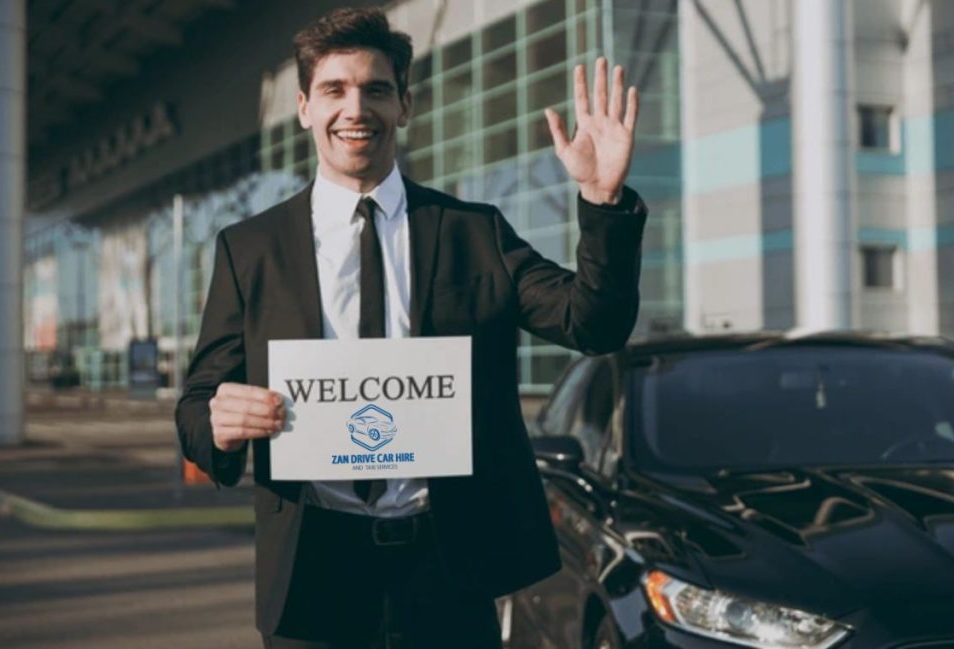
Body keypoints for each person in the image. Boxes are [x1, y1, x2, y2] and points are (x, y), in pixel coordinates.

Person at [175, 7, 647, 649]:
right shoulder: (250, 249)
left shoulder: (473, 233)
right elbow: (197, 409)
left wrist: (602, 201)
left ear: (404, 106)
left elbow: (593, 323)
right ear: (305, 107)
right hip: (315, 569)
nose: (355, 108)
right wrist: (219, 426)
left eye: (376, 89)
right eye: (335, 90)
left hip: (447, 567)